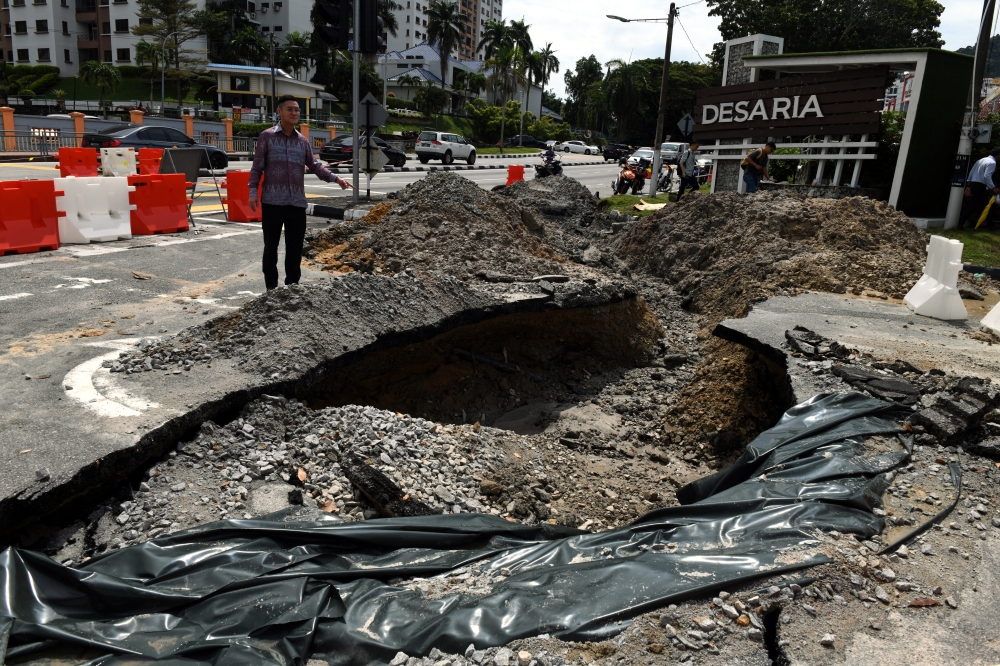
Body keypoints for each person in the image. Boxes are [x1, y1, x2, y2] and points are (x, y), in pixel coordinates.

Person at [248, 95, 355, 290]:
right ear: (279, 112)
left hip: (296, 203)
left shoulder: (302, 141)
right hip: (272, 202)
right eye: (290, 109)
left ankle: (292, 287)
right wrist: (253, 191)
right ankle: (271, 290)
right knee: (271, 248)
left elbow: (314, 165)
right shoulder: (267, 137)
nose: (294, 113)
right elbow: (257, 167)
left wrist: (336, 179)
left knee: (295, 248)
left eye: (297, 110)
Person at [960, 147, 1000, 229]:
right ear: (998, 155)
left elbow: (971, 172)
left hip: (975, 184)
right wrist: (993, 188)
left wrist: (968, 185)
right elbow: (987, 176)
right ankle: (959, 224)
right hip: (980, 186)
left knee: (986, 205)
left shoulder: (981, 160)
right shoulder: (992, 163)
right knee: (972, 206)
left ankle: (991, 225)